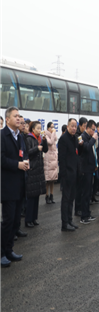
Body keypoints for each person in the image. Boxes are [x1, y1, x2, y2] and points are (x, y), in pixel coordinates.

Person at [0, 106, 29, 267]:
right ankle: (1, 253)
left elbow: (23, 153)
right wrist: (17, 165)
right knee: (8, 221)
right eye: (15, 116)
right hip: (7, 186)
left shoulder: (20, 136)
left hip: (20, 185)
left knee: (16, 221)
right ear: (8, 119)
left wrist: (25, 162)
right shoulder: (2, 135)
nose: (18, 118)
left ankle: (9, 250)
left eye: (19, 116)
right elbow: (1, 159)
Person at [24, 121, 48, 228]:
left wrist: (45, 140)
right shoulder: (29, 138)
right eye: (37, 128)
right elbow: (28, 152)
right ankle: (28, 220)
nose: (39, 130)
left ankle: (34, 218)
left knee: (37, 196)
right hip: (32, 170)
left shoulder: (40, 139)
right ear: (33, 129)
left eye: (40, 128)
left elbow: (45, 150)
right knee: (31, 196)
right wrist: (36, 148)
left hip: (39, 170)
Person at [58, 118, 80, 232]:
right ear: (67, 126)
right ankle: (65, 223)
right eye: (72, 126)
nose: (74, 128)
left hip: (74, 173)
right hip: (67, 174)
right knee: (66, 200)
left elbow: (76, 156)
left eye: (75, 126)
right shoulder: (63, 139)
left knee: (71, 199)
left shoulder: (75, 138)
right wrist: (64, 175)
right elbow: (61, 159)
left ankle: (70, 220)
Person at [79, 120, 98, 224]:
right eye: (93, 129)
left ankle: (88, 213)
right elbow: (86, 147)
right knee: (85, 193)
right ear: (88, 128)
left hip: (90, 168)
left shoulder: (90, 137)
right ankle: (83, 216)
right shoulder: (83, 136)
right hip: (85, 169)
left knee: (89, 192)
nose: (94, 132)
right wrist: (93, 139)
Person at [74, 117, 87, 217]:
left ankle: (81, 207)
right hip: (77, 165)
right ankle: (77, 209)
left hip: (83, 164)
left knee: (83, 188)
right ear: (80, 125)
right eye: (84, 126)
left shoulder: (84, 135)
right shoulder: (77, 135)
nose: (85, 128)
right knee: (78, 188)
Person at [43, 121, 58, 204]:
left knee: (53, 180)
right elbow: (51, 142)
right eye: (51, 127)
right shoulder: (45, 135)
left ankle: (52, 195)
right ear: (48, 128)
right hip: (48, 160)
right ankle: (47, 196)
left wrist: (53, 134)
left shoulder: (53, 135)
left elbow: (55, 139)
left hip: (54, 160)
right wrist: (53, 133)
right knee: (48, 180)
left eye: (53, 127)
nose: (53, 128)